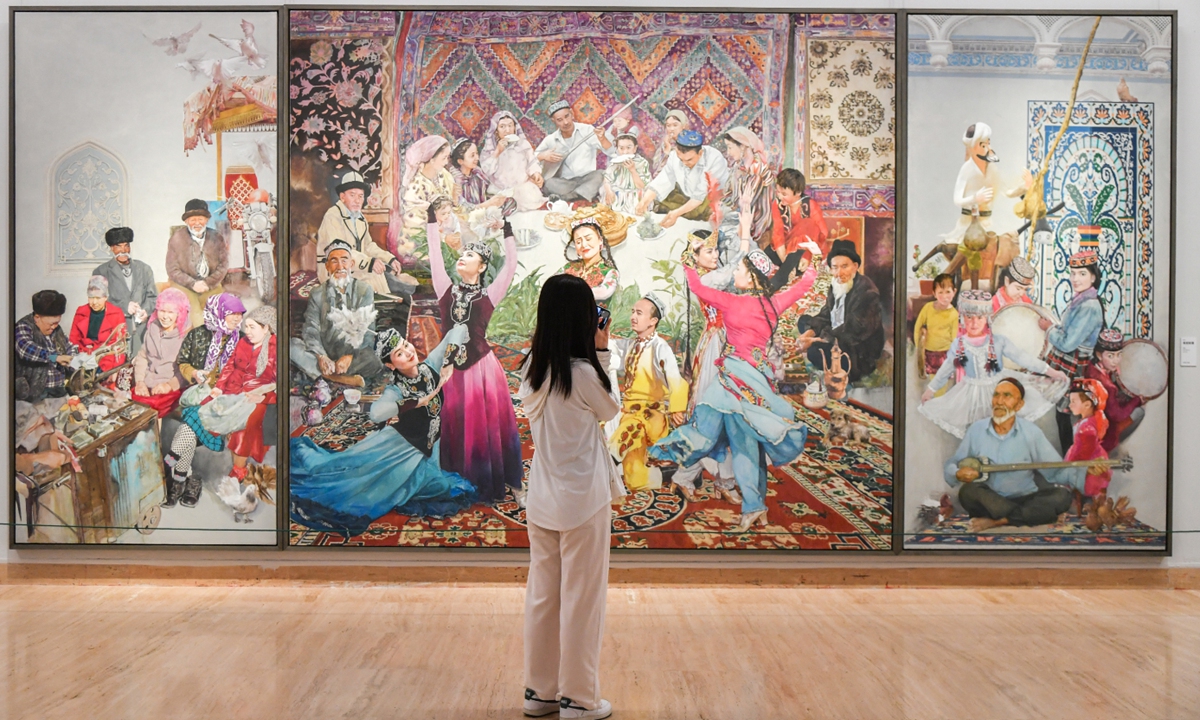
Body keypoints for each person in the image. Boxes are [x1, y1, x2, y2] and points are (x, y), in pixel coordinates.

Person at [649, 247, 821, 531]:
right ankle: (752, 504)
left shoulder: (731, 302)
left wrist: (688, 264)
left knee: (711, 433)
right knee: (743, 443)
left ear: (752, 277)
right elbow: (804, 285)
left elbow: (697, 287)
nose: (735, 274)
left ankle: (674, 459)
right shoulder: (774, 303)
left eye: (740, 269)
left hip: (729, 381)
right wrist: (813, 260)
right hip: (756, 381)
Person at [518, 274, 620, 720]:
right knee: (582, 600)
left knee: (543, 596)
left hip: (542, 497)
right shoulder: (583, 374)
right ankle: (578, 698)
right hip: (583, 501)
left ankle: (539, 692)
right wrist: (602, 352)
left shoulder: (532, 369)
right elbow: (611, 409)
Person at [289, 326, 478, 538]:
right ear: (390, 365)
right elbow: (376, 413)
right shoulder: (396, 388)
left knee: (440, 487)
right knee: (351, 483)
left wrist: (448, 362)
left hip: (428, 449)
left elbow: (460, 329)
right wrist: (416, 402)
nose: (408, 352)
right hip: (401, 449)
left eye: (406, 345)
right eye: (399, 354)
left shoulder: (430, 367)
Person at [428, 211, 523, 504]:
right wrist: (431, 220)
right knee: (453, 422)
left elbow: (510, 265)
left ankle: (511, 482)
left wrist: (507, 229)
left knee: (488, 426)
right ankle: (456, 478)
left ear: (481, 267)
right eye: (462, 254)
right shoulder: (444, 290)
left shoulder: (489, 295)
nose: (462, 257)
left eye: (469, 255)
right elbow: (434, 256)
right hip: (450, 371)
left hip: (481, 369)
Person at [669, 223, 752, 503]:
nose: (715, 254)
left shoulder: (710, 276)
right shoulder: (707, 280)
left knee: (727, 415)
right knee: (717, 414)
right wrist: (745, 236)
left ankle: (711, 479)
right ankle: (706, 479)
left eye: (716, 249)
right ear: (695, 255)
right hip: (717, 347)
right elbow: (735, 268)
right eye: (708, 251)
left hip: (727, 342)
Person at [945, 378, 1097, 532]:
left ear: (1019, 405)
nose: (999, 401)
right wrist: (957, 473)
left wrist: (1086, 471)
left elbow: (1056, 471)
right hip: (989, 501)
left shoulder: (1031, 432)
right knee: (968, 492)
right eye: (996, 395)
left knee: (1062, 496)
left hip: (1025, 498)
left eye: (1007, 396)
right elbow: (953, 464)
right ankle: (1036, 516)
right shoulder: (976, 430)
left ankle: (998, 521)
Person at [165, 305, 277, 508]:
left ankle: (173, 465)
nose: (246, 331)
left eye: (252, 327)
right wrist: (218, 388)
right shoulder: (240, 342)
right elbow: (229, 367)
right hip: (229, 393)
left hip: (252, 398)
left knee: (231, 421)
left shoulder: (275, 349)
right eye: (246, 326)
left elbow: (281, 383)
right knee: (193, 417)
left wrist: (263, 396)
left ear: (266, 328)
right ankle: (180, 475)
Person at [919, 290, 1067, 438]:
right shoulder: (959, 344)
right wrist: (930, 390)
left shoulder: (998, 341)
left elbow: (1023, 358)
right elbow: (946, 368)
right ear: (962, 318)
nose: (974, 323)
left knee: (1001, 427)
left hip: (999, 389)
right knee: (979, 431)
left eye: (980, 317)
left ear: (987, 318)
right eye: (969, 317)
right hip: (972, 393)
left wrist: (1051, 372)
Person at [609, 292, 688, 493]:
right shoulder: (631, 345)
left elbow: (676, 379)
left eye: (639, 313)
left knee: (626, 433)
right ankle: (673, 474)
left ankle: (608, 459)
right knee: (633, 478)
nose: (633, 317)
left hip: (651, 417)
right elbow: (608, 347)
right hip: (630, 416)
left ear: (653, 321)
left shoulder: (660, 347)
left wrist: (677, 409)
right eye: (633, 312)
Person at [290, 240, 384, 387]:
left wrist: (349, 356)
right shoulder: (317, 293)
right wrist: (321, 356)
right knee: (291, 346)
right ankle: (337, 377)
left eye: (344, 260)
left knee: (373, 361)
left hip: (353, 355)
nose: (340, 267)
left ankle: (324, 375)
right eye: (334, 261)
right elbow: (311, 328)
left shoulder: (364, 290)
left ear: (351, 264)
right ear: (327, 266)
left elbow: (367, 329)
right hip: (325, 352)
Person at [1039, 248, 1105, 451]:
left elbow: (1068, 343)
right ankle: (1070, 457)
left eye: (1082, 274)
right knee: (1063, 414)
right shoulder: (1081, 300)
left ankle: (1073, 457)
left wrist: (1048, 329)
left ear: (1093, 277)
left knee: (1068, 415)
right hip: (1067, 362)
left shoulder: (1089, 306)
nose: (1076, 279)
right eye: (1073, 273)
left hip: (1073, 365)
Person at [796, 239, 884, 383]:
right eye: (835, 267)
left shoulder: (867, 292)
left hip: (857, 350)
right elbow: (826, 314)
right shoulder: (836, 285)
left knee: (814, 352)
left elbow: (853, 331)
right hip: (838, 333)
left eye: (844, 266)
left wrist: (816, 340)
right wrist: (809, 333)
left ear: (855, 266)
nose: (839, 273)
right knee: (804, 321)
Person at [317, 171, 402, 296]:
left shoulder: (360, 218)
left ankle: (385, 301)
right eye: (352, 195)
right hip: (335, 269)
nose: (357, 200)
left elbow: (368, 246)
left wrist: (389, 258)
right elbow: (340, 251)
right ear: (342, 197)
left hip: (354, 266)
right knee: (374, 275)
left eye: (361, 196)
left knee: (382, 272)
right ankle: (382, 304)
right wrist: (369, 263)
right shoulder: (333, 216)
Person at [635, 129, 729, 228]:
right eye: (681, 160)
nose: (684, 163)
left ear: (700, 153)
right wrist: (644, 201)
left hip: (712, 200)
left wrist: (676, 213)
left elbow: (700, 195)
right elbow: (662, 180)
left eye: (689, 160)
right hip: (689, 197)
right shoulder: (674, 156)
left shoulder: (714, 159)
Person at [535, 99, 617, 202]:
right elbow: (532, 158)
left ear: (572, 114)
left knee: (601, 174)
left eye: (567, 116)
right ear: (554, 121)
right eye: (560, 120)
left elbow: (611, 151)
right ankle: (580, 195)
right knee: (549, 183)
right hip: (565, 183)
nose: (565, 122)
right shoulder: (551, 139)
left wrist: (602, 138)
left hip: (587, 178)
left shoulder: (587, 130)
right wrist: (543, 156)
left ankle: (569, 197)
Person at [92, 226, 157, 354]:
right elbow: (96, 303)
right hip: (114, 332)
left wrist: (146, 311)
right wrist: (124, 306)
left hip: (143, 331)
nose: (123, 250)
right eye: (118, 246)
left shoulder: (145, 269)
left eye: (126, 245)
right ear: (112, 248)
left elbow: (153, 297)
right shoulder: (100, 271)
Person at [165, 199, 228, 328]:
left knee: (219, 312)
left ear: (207, 220)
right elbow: (172, 269)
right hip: (184, 285)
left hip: (210, 284)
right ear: (186, 221)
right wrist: (192, 283)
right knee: (196, 316)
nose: (197, 223)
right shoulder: (176, 238)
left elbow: (223, 265)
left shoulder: (217, 237)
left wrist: (208, 283)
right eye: (193, 220)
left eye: (200, 219)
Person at [131, 287, 190, 418]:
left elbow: (186, 369)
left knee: (150, 409)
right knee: (130, 403)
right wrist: (140, 382)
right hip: (148, 381)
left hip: (171, 385)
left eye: (171, 312)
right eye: (162, 311)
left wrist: (169, 385)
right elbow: (142, 356)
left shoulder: (187, 336)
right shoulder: (153, 328)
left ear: (180, 313)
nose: (165, 316)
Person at [767, 168, 828, 288]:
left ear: (798, 192)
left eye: (784, 194)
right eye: (778, 192)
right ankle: (786, 271)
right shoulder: (777, 205)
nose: (779, 196)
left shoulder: (810, 205)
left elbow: (822, 233)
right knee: (762, 256)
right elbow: (778, 235)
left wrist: (807, 256)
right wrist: (785, 261)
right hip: (784, 252)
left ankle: (777, 281)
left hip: (806, 252)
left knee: (808, 224)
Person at [1085, 329, 1145, 452]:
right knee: (1139, 412)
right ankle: (1111, 447)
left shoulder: (1091, 367)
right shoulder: (1108, 386)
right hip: (1104, 431)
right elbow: (1117, 415)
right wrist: (1137, 400)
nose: (1116, 360)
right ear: (1099, 355)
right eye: (1110, 356)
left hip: (1091, 421)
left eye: (1119, 355)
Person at [718, 126, 775, 254]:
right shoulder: (738, 166)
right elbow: (729, 194)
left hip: (757, 220)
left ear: (743, 146)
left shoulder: (758, 168)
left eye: (730, 147)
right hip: (741, 214)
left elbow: (749, 202)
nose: (728, 153)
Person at [15, 290, 77, 402]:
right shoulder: (23, 326)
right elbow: (25, 349)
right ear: (37, 317)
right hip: (34, 394)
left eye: (57, 323)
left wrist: (75, 358)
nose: (54, 327)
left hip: (58, 391)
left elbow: (69, 346)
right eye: (51, 323)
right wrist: (54, 357)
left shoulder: (57, 329)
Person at [479, 112, 546, 212]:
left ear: (515, 128)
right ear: (496, 130)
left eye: (510, 125)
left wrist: (536, 173)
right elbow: (486, 171)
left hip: (523, 189)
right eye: (502, 126)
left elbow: (532, 161)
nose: (507, 130)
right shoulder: (490, 148)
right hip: (500, 190)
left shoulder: (523, 144)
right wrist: (497, 152)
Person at [176, 293, 246, 388]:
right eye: (232, 313)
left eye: (240, 313)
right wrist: (195, 373)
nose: (237, 318)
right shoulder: (196, 334)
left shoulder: (242, 339)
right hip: (200, 389)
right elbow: (183, 362)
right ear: (218, 312)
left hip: (231, 391)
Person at [400, 135, 457, 245]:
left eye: (447, 158)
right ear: (431, 159)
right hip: (423, 239)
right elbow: (416, 226)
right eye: (444, 158)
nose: (446, 162)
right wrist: (443, 238)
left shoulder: (446, 176)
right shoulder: (415, 187)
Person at [68, 276, 127, 373]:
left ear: (106, 297)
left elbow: (119, 346)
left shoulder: (117, 313)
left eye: (98, 298)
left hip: (106, 360)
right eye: (91, 297)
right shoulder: (80, 311)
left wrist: (115, 370)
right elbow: (73, 340)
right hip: (83, 357)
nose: (94, 302)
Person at [1064, 379, 1111, 500]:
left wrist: (1070, 466)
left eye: (1073, 401)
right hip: (1085, 456)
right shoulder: (1086, 422)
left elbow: (1083, 454)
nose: (1070, 405)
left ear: (1087, 405)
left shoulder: (1087, 429)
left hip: (1088, 466)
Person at [561, 218, 620, 304]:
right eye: (578, 242)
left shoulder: (610, 272)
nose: (584, 245)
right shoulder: (569, 267)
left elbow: (604, 292)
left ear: (600, 240)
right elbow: (552, 284)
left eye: (588, 239)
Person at [912, 273, 958, 379]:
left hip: (945, 353)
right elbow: (918, 327)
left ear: (954, 292)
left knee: (943, 381)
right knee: (933, 381)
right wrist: (919, 347)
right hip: (929, 352)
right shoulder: (928, 308)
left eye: (948, 292)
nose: (944, 296)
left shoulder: (954, 314)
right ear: (934, 293)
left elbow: (954, 336)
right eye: (940, 292)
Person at [601, 127, 651, 215]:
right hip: (617, 196)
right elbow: (607, 179)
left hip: (635, 196)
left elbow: (641, 186)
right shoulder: (615, 163)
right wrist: (609, 191)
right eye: (621, 148)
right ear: (617, 149)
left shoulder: (642, 163)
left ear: (635, 148)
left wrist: (632, 170)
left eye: (628, 148)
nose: (625, 152)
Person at [651, 109, 689, 176]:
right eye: (668, 126)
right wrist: (667, 149)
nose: (671, 129)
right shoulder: (665, 145)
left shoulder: (690, 144)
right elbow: (656, 169)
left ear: (683, 126)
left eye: (675, 125)